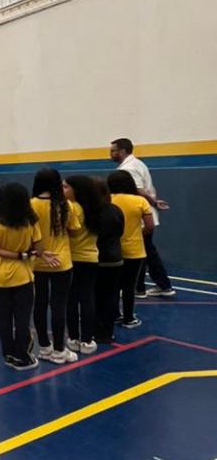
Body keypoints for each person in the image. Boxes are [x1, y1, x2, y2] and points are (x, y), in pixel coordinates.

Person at [109, 138, 175, 297]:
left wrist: (153, 202)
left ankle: (160, 286)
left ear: (122, 151)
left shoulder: (129, 168)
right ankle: (143, 287)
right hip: (143, 213)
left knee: (145, 253)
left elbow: (139, 190)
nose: (110, 154)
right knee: (144, 253)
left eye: (113, 151)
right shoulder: (137, 164)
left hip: (139, 217)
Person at [0, 183, 44, 369]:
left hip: (0, 278)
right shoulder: (31, 222)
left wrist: (17, 254)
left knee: (3, 319)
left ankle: (8, 354)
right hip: (23, 277)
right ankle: (23, 356)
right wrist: (24, 254)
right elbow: (39, 249)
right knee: (22, 319)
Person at [31, 168, 77, 363]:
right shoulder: (66, 205)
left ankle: (44, 347)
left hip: (37, 261)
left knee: (39, 304)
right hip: (62, 262)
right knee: (59, 305)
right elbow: (74, 231)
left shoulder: (30, 204)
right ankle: (59, 349)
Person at [108, 170, 154, 329]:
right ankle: (128, 318)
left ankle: (114, 314)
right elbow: (149, 226)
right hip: (135, 249)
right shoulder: (140, 201)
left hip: (113, 249)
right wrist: (137, 233)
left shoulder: (107, 200)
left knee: (113, 285)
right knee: (129, 286)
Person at [64, 175, 101, 354]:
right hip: (91, 258)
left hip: (72, 258)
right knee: (87, 298)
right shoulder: (95, 208)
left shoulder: (72, 208)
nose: (63, 191)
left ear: (76, 190)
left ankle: (73, 338)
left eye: (66, 187)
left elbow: (70, 231)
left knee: (71, 299)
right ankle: (87, 339)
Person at [94, 178, 125, 344]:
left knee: (96, 295)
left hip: (97, 259)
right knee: (112, 296)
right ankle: (108, 332)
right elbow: (121, 231)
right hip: (115, 258)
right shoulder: (116, 210)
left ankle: (96, 330)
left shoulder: (90, 212)